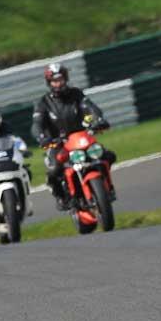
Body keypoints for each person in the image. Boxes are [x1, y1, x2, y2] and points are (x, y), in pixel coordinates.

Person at [31, 63, 115, 210]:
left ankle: (108, 187)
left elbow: (90, 107)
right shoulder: (44, 102)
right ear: (49, 83)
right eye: (54, 81)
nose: (58, 83)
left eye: (61, 79)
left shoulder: (76, 94)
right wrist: (42, 138)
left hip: (81, 138)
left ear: (66, 79)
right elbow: (37, 123)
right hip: (58, 143)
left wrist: (98, 120)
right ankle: (61, 197)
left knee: (108, 156)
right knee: (54, 170)